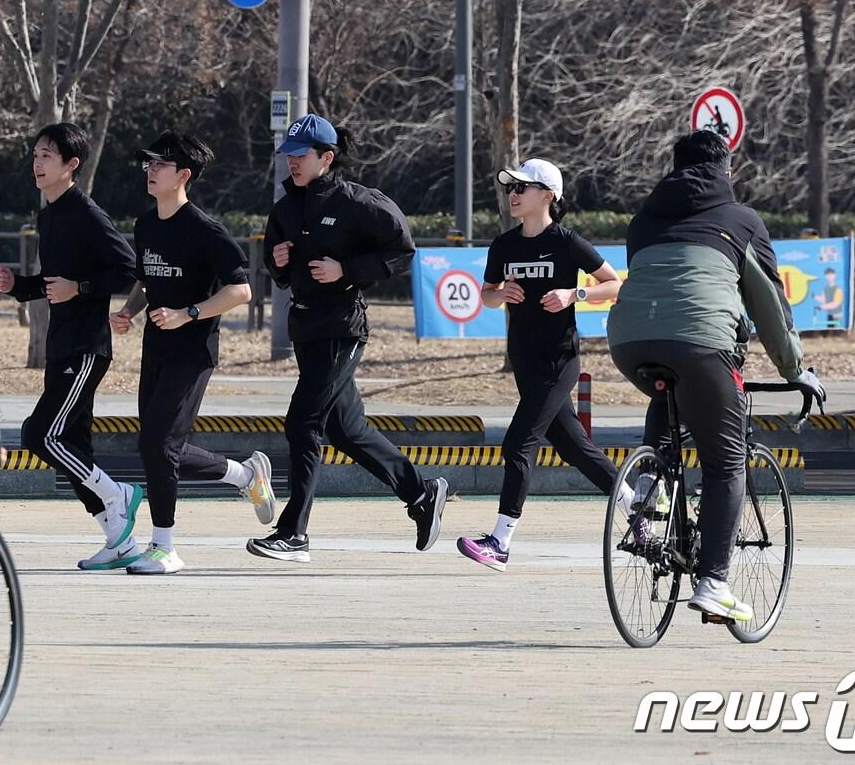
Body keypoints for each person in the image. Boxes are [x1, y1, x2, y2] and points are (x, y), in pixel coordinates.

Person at [607, 129, 825, 621]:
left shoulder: (642, 221)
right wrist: (795, 370)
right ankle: (713, 584)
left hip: (628, 342)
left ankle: (651, 484)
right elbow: (769, 307)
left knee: (669, 389)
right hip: (703, 345)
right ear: (726, 169)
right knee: (726, 464)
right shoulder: (741, 220)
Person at [246, 114, 449, 564]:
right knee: (345, 429)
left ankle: (293, 533)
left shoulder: (358, 201)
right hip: (306, 329)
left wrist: (346, 270)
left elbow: (402, 251)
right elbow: (280, 275)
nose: (292, 163)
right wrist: (278, 260)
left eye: (300, 156)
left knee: (303, 422)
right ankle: (421, 494)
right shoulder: (285, 209)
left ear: (327, 157)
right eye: (288, 156)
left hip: (342, 327)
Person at [107, 131, 277, 575]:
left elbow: (241, 290)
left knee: (159, 444)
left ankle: (165, 547)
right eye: (148, 163)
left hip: (193, 352)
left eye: (159, 164)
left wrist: (189, 314)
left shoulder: (206, 231)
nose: (150, 170)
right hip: (156, 347)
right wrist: (127, 311)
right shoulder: (146, 225)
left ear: (183, 175)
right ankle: (245, 476)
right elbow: (146, 279)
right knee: (157, 445)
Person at [457, 159, 630, 572]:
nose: (513, 194)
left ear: (548, 196)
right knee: (573, 447)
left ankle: (500, 542)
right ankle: (636, 505)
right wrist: (502, 294)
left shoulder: (567, 242)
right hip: (525, 359)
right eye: (511, 188)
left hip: (559, 359)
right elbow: (487, 294)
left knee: (518, 443)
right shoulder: (504, 245)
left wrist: (575, 295)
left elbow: (614, 283)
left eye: (523, 187)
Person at [0, 122, 142, 570]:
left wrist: (81, 288)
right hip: (61, 346)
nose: (37, 164)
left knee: (40, 435)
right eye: (35, 155)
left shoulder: (87, 213)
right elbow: (52, 282)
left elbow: (128, 269)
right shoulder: (49, 214)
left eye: (47, 156)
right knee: (75, 446)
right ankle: (119, 541)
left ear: (71, 164)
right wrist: (18, 287)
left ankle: (119, 493)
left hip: (86, 348)